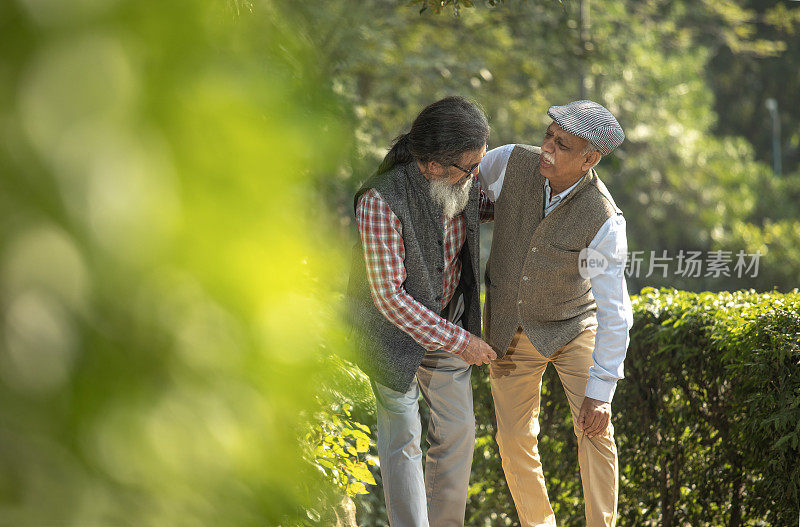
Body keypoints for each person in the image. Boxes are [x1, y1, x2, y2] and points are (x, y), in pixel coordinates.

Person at [478, 100, 633, 527]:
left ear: (590, 159)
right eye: (548, 135)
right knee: (511, 439)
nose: (547, 147)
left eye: (561, 144)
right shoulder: (509, 162)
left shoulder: (604, 219)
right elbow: (459, 189)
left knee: (596, 430)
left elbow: (615, 310)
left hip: (572, 326)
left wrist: (601, 394)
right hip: (509, 327)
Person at [346, 96, 496, 527]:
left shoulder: (462, 183)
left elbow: (493, 207)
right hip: (392, 334)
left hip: (445, 320)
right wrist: (463, 341)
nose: (476, 175)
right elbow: (390, 297)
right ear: (432, 165)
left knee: (458, 434)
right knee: (404, 440)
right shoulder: (380, 200)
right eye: (470, 167)